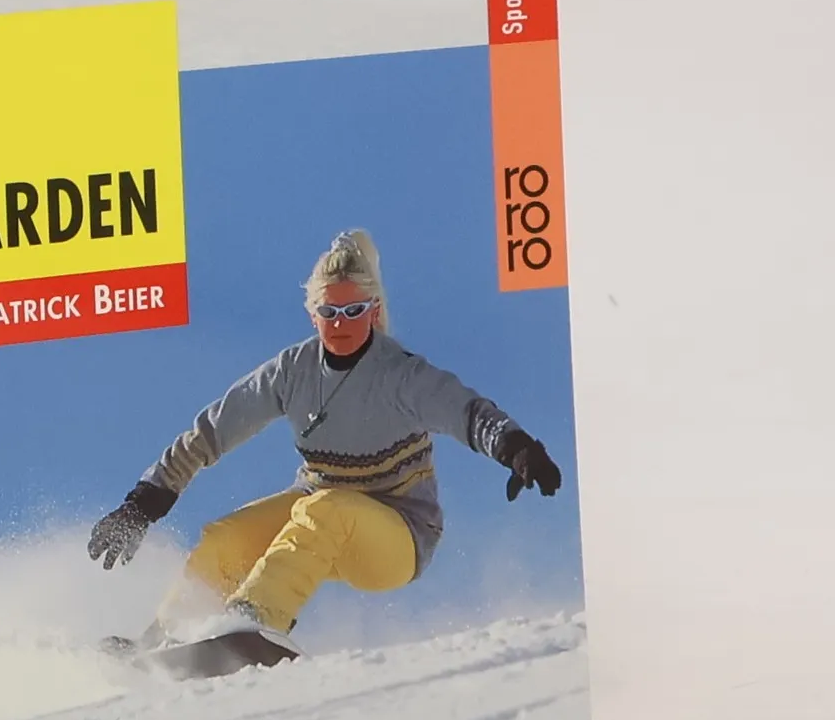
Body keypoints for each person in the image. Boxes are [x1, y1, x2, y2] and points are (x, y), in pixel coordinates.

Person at [87, 228, 562, 647]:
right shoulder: (292, 371)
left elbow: (467, 412)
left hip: (398, 535)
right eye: (329, 311)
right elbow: (212, 431)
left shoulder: (400, 376)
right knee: (225, 539)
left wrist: (517, 448)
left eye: (353, 310)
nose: (340, 323)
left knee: (324, 508)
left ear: (374, 311)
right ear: (312, 314)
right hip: (316, 515)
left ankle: (252, 621)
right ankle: (164, 641)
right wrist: (143, 503)